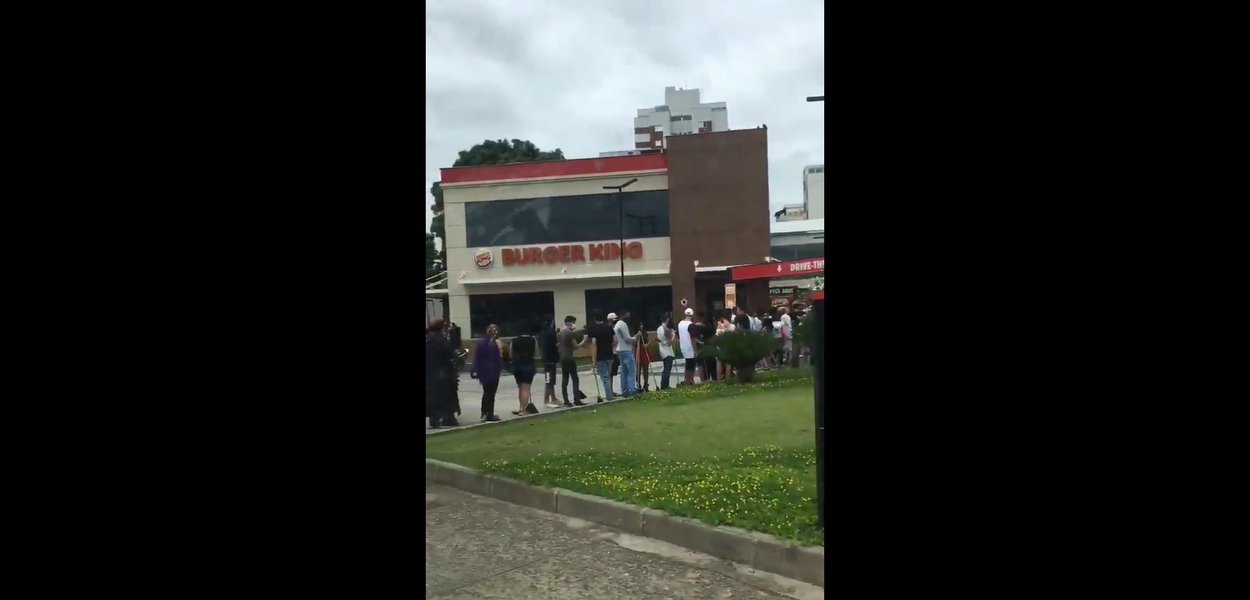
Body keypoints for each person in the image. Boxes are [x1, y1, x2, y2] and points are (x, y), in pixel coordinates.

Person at [425, 319, 458, 429]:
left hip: (430, 372)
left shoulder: (429, 339)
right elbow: (449, 353)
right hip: (441, 373)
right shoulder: (440, 340)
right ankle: (441, 418)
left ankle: (435, 418)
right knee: (442, 396)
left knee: (431, 396)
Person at [469, 325, 504, 422]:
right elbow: (498, 357)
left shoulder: (481, 343)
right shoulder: (494, 343)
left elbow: (477, 358)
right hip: (493, 371)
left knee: (486, 392)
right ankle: (489, 413)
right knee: (491, 393)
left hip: (483, 371)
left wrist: (476, 370)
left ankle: (484, 412)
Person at [583, 310, 617, 402]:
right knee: (608, 375)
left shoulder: (593, 329)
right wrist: (609, 346)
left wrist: (593, 359)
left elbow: (594, 344)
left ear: (594, 318)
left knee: (604, 377)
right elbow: (615, 341)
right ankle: (609, 393)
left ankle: (608, 396)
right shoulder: (609, 328)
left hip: (600, 356)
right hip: (609, 354)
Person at [508, 325, 539, 416]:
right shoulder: (533, 340)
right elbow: (536, 353)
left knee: (521, 388)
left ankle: (521, 407)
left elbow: (510, 355)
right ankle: (524, 410)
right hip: (528, 365)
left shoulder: (514, 341)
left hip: (517, 366)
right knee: (526, 389)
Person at [558, 315, 589, 406]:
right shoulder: (568, 333)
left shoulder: (561, 332)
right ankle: (577, 399)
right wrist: (584, 340)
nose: (574, 324)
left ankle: (566, 400)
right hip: (569, 358)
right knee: (575, 378)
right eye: (573, 322)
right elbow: (576, 346)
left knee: (565, 379)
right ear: (568, 322)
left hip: (563, 357)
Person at [612, 311, 637, 397]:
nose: (628, 317)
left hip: (620, 349)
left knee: (624, 371)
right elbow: (627, 339)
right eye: (627, 315)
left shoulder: (617, 325)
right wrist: (636, 337)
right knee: (631, 370)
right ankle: (631, 390)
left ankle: (624, 389)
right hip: (625, 349)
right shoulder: (622, 324)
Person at [537, 314, 560, 408]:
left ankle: (553, 397)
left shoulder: (542, 332)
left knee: (551, 379)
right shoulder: (550, 333)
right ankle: (546, 400)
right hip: (550, 359)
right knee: (549, 380)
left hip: (545, 358)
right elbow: (554, 345)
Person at [677, 308, 697, 386]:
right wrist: (695, 349)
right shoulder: (691, 325)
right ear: (692, 315)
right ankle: (690, 380)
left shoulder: (680, 324)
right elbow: (693, 339)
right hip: (690, 347)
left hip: (683, 346)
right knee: (691, 366)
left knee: (687, 365)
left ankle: (687, 380)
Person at [656, 312, 676, 389]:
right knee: (667, 369)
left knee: (666, 368)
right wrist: (673, 335)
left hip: (663, 351)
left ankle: (664, 384)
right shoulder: (665, 330)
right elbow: (669, 342)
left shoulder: (659, 329)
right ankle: (665, 385)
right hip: (667, 351)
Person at [633, 320, 651, 392]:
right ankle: (638, 384)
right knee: (638, 370)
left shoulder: (644, 333)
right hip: (639, 352)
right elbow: (642, 345)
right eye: (640, 325)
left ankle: (646, 384)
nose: (642, 326)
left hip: (645, 353)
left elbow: (646, 341)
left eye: (642, 325)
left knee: (646, 370)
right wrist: (649, 343)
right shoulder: (635, 334)